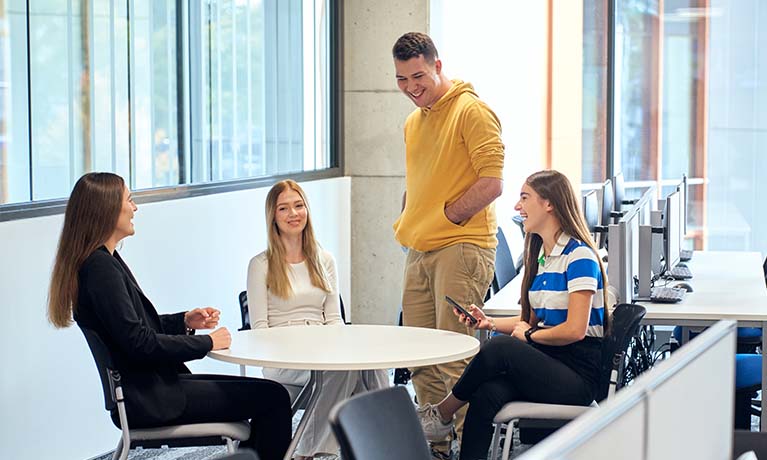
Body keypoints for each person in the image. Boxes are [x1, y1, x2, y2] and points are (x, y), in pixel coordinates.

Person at [47, 172, 292, 460]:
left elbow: (134, 328)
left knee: (270, 394)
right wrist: (207, 343)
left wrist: (185, 321)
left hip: (150, 389)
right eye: (129, 200)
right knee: (274, 398)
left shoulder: (105, 261)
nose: (135, 207)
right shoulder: (100, 269)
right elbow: (141, 344)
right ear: (107, 209)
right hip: (150, 398)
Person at [417, 170, 611, 460]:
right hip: (551, 362)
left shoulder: (579, 256)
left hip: (578, 375)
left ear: (549, 204)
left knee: (500, 347)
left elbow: (574, 331)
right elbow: (531, 322)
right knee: (486, 394)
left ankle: (442, 414)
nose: (517, 207)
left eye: (524, 198)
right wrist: (489, 322)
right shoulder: (543, 256)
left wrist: (528, 335)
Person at [391, 31, 505, 455]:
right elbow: (418, 181)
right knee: (418, 353)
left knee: (454, 354)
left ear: (438, 66)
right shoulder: (413, 122)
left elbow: (491, 183)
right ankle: (436, 446)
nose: (411, 87)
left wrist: (445, 217)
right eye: (402, 79)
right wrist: (410, 218)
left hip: (461, 246)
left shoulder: (471, 112)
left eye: (418, 76)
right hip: (418, 250)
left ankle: (469, 448)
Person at [247, 179, 390, 460]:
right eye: (284, 209)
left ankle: (383, 447)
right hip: (283, 358)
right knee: (345, 369)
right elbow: (259, 329)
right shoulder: (260, 265)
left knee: (371, 364)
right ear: (273, 217)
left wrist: (337, 347)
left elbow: (335, 320)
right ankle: (308, 453)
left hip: (322, 347)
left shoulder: (324, 260)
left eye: (299, 206)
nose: (293, 214)